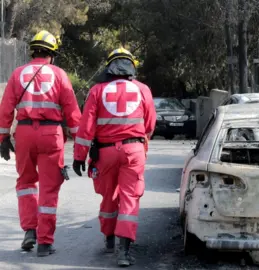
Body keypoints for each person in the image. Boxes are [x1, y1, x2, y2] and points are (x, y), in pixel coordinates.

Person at [0, 30, 82, 257]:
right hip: (50, 135)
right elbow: (73, 113)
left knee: (25, 183)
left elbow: (6, 108)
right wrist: (81, 148)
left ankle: (29, 230)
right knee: (49, 187)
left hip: (24, 133)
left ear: (32, 51)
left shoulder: (17, 74)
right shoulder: (59, 75)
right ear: (52, 54)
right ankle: (45, 243)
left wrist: (3, 138)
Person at [72, 47, 156, 267]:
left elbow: (86, 127)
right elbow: (149, 124)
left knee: (108, 196)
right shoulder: (143, 90)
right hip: (133, 151)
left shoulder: (97, 91)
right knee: (130, 197)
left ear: (109, 67)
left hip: (105, 153)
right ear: (131, 67)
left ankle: (109, 239)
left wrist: (79, 157)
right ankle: (124, 251)